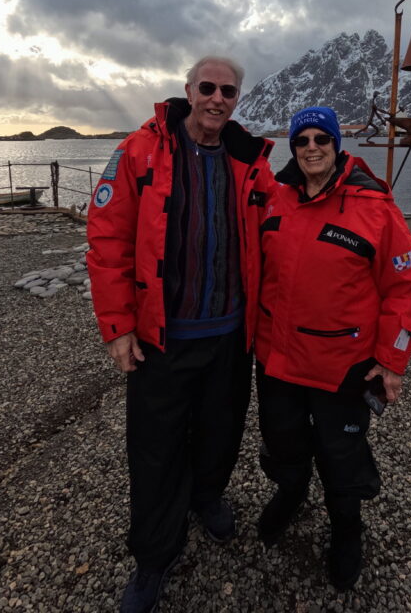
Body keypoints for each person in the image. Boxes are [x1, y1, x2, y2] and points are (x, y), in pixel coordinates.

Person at [87, 56, 274, 613]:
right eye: (209, 88)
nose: (218, 99)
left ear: (237, 100)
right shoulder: (140, 150)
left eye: (230, 91)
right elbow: (108, 240)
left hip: (230, 335)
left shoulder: (251, 161)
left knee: (221, 432)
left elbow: (287, 234)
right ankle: (153, 558)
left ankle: (207, 497)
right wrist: (118, 328)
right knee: (155, 450)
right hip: (162, 337)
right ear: (188, 90)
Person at [254, 106, 411, 591]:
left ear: (336, 145)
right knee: (282, 441)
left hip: (341, 366)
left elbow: (403, 289)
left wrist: (391, 361)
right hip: (276, 360)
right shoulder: (274, 200)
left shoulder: (374, 207)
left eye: (321, 138)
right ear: (293, 146)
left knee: (341, 455)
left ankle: (347, 528)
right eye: (302, 139)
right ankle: (292, 492)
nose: (311, 147)